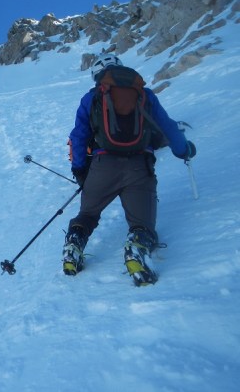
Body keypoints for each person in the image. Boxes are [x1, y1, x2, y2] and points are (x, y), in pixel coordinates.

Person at [63, 53, 196, 286]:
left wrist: (80, 170)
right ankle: (137, 248)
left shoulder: (91, 98)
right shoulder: (144, 95)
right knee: (142, 225)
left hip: (102, 166)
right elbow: (168, 127)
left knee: (87, 214)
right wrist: (183, 150)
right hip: (139, 167)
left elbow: (78, 137)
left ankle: (74, 244)